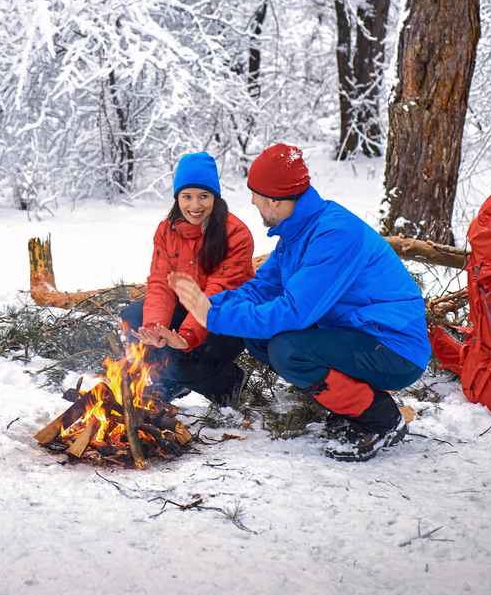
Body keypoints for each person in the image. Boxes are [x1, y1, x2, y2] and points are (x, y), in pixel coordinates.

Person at [170, 143, 430, 462]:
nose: (251, 200)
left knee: (288, 350)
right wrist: (210, 306)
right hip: (356, 336)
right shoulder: (297, 233)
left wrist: (213, 317)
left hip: (393, 348)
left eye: (257, 195)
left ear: (277, 201)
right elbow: (263, 289)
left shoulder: (333, 235)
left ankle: (381, 418)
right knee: (261, 338)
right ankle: (352, 407)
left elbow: (293, 312)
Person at [120, 151, 255, 405]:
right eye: (187, 196)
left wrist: (186, 337)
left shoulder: (236, 234)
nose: (195, 206)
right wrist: (154, 328)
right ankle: (170, 381)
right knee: (133, 321)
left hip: (225, 319)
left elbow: (217, 291)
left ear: (215, 196)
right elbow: (161, 282)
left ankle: (228, 382)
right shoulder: (166, 230)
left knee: (179, 357)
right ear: (177, 198)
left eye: (204, 196)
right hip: (187, 311)